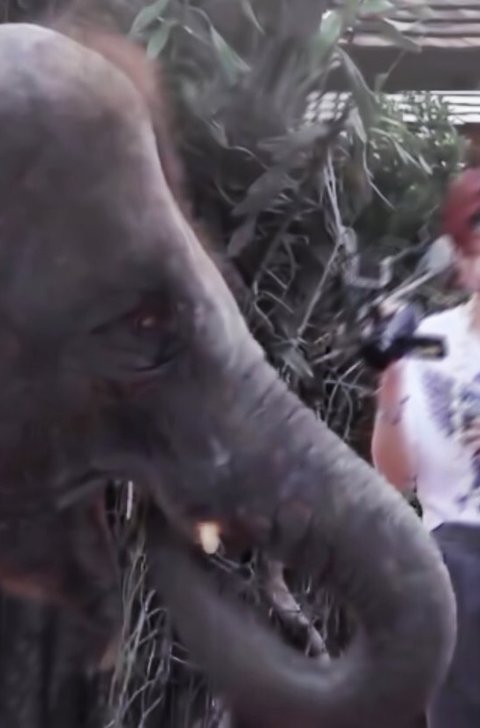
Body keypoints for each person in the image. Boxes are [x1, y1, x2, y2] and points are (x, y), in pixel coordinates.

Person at [371, 167, 480, 728]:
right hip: (456, 571)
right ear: (459, 256)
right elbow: (397, 480)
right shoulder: (431, 340)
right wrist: (390, 387)